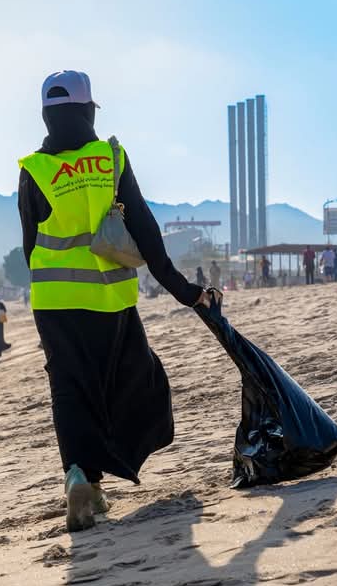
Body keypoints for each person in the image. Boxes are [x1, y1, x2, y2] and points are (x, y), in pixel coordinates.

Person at [17, 70, 214, 532]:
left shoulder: (34, 168)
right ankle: (100, 474)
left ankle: (80, 476)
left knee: (71, 389)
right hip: (110, 300)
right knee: (133, 381)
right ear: (88, 111)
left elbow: (29, 244)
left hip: (54, 301)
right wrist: (186, 292)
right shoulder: (110, 159)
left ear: (47, 116)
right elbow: (145, 230)